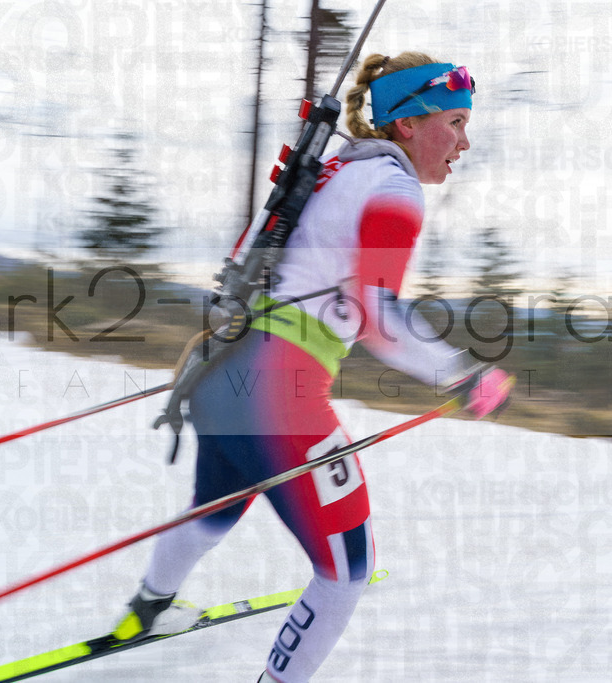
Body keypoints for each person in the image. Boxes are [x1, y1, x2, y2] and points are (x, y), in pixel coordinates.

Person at [113, 51, 513, 682]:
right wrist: (464, 374)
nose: (464, 141)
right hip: (279, 395)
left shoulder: (327, 170)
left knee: (215, 506)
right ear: (408, 123)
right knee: (346, 571)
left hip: (224, 373)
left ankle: (147, 609)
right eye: (456, 122)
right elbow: (376, 314)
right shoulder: (395, 189)